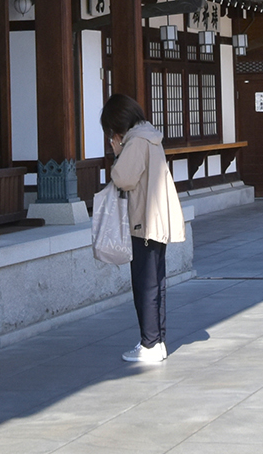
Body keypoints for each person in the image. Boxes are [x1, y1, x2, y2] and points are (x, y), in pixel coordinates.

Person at [103, 93, 185, 365]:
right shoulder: (149, 135)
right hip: (155, 221)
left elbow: (123, 178)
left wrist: (118, 155)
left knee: (145, 285)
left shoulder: (136, 142)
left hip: (144, 222)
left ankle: (149, 344)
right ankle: (157, 341)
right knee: (156, 283)